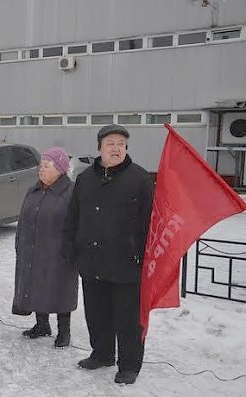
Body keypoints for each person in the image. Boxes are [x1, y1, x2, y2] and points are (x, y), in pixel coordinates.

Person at [63, 124, 154, 385]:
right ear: (99, 148)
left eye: (121, 144)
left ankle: (129, 365)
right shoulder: (85, 178)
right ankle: (102, 354)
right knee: (96, 311)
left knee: (127, 317)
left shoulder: (140, 179)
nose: (116, 148)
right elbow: (73, 216)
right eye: (110, 143)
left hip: (126, 261)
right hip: (91, 259)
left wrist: (144, 255)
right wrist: (71, 246)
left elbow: (150, 220)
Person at [12, 147, 78, 348]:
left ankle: (63, 332)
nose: (41, 170)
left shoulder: (71, 192)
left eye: (47, 166)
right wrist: (19, 243)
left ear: (60, 169)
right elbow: (23, 220)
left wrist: (71, 249)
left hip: (60, 251)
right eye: (40, 166)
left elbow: (77, 223)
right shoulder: (34, 190)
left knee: (60, 289)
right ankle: (42, 325)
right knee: (36, 285)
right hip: (33, 248)